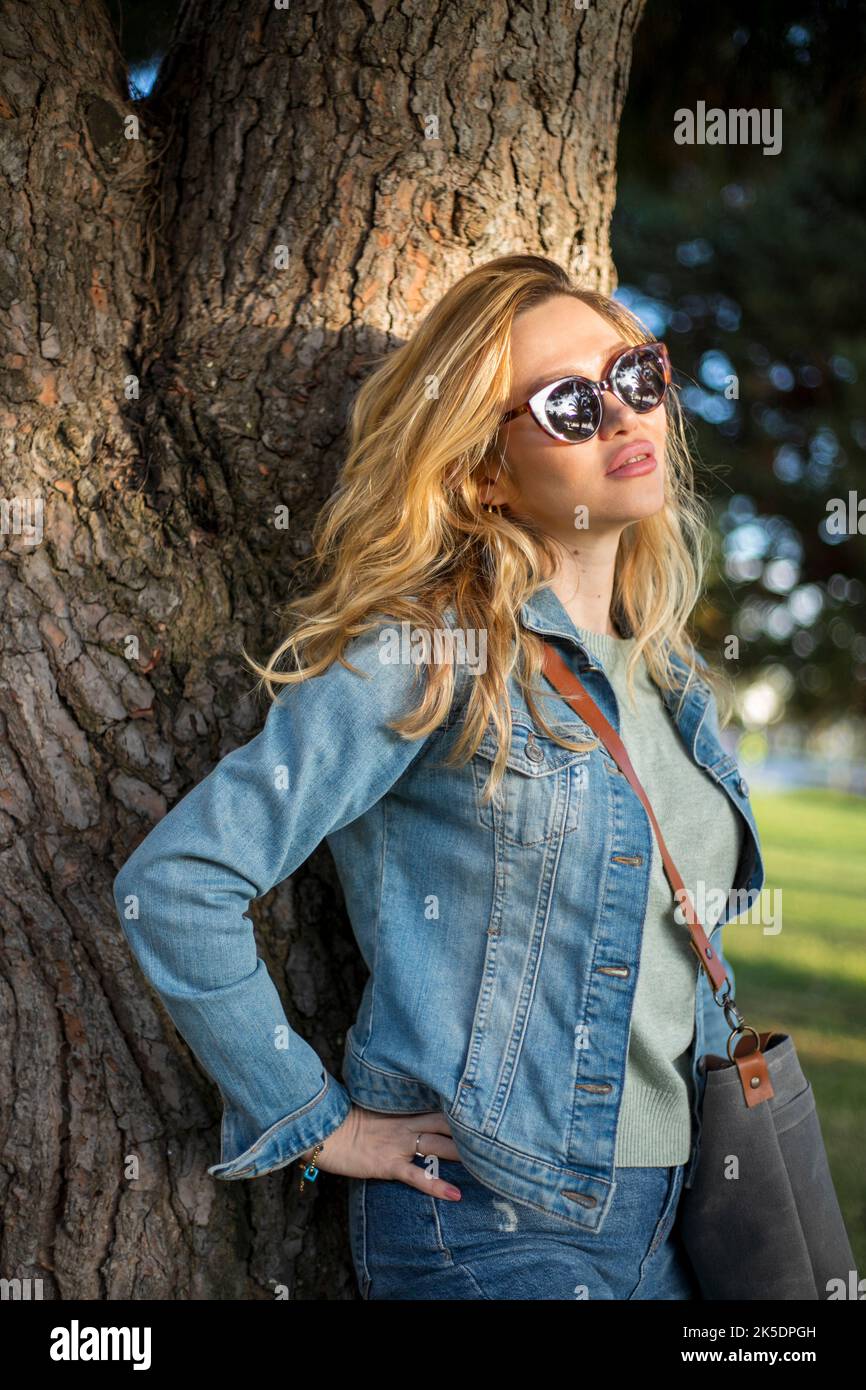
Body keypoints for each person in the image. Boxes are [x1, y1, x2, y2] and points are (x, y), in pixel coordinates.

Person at [113, 253, 764, 1300]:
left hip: (672, 1224)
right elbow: (179, 881)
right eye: (567, 404)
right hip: (494, 1224)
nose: (621, 416)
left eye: (635, 376)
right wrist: (319, 1122)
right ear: (484, 474)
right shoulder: (428, 656)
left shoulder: (666, 674)